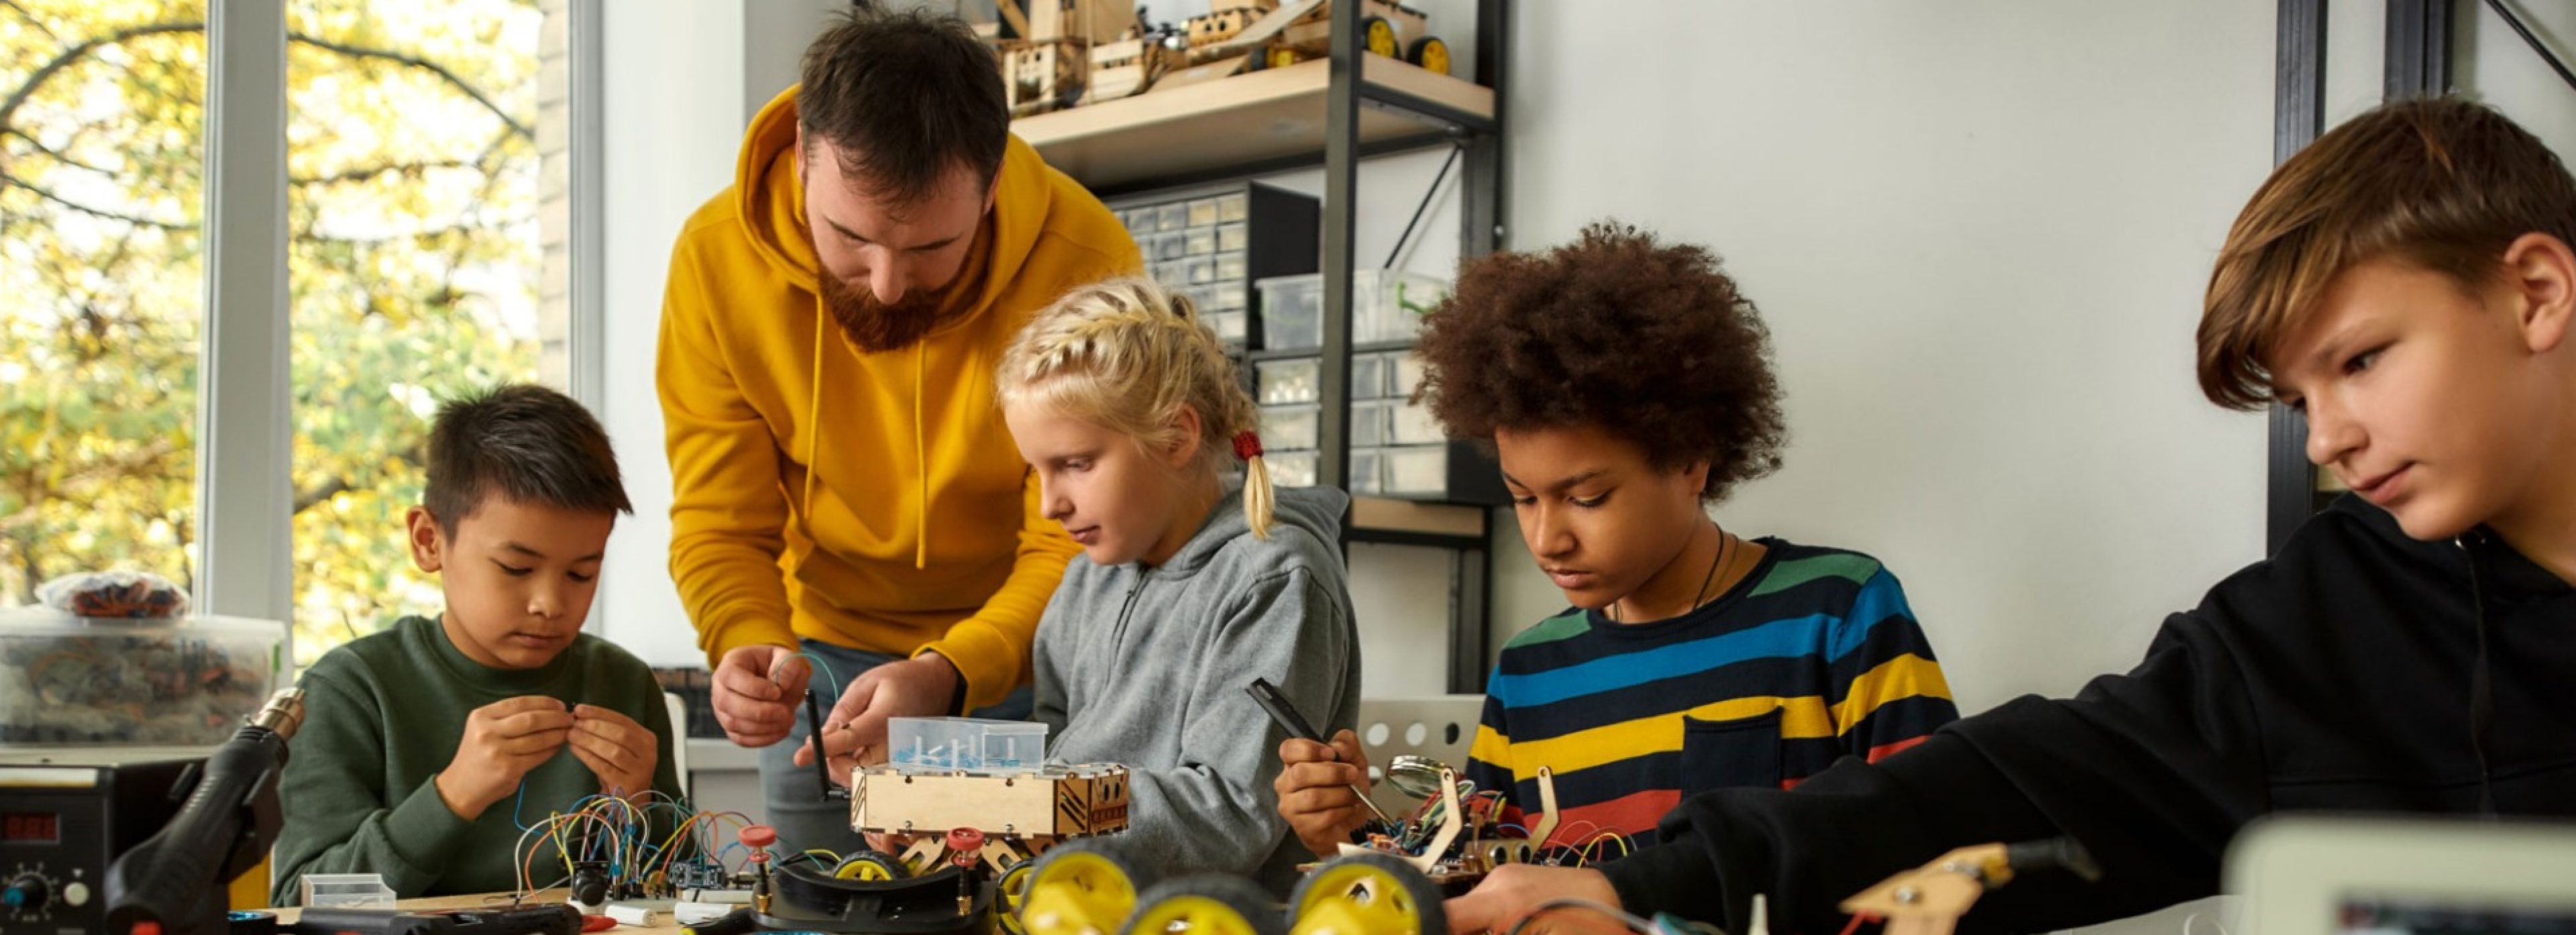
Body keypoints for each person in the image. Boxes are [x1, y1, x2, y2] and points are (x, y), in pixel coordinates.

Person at [1446, 98, 2576, 935]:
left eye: (2363, 360)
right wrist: (1639, 883)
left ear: (2535, 292)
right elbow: (2023, 778)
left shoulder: (1836, 604)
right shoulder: (2334, 615)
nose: (2326, 439)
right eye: (2300, 399)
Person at [1275, 224, 1959, 863]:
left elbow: (1942, 850)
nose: (1548, 537)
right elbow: (1484, 877)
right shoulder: (1530, 671)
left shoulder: (1838, 616)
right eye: (1522, 496)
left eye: (1587, 497)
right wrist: (1354, 827)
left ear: (1692, 459)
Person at [655, 7, 1139, 854]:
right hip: (817, 660)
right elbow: (721, 520)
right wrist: (747, 644)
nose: (884, 285)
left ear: (990, 187)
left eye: (930, 248)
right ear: (804, 151)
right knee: (817, 900)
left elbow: (1075, 537)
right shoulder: (712, 259)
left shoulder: (1085, 259)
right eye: (849, 235)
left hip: (1027, 652)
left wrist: (951, 672)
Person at [984, 276, 1358, 892]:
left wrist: (1030, 808)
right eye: (1038, 471)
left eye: (1076, 464)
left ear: (1178, 437)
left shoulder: (1273, 577)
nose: (1051, 504)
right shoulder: (1086, 578)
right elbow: (1054, 750)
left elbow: (1229, 816)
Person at [274, 384, 679, 903]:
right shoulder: (350, 690)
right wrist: (453, 795)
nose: (549, 603)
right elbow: (298, 903)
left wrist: (638, 805)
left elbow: (683, 897)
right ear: (429, 540)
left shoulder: (622, 682)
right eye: (517, 568)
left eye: (581, 573)